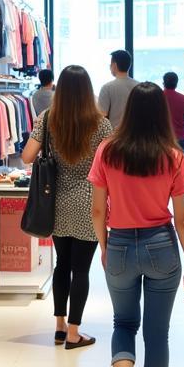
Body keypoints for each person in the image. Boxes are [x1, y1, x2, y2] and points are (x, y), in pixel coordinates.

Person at [89, 82, 184, 367]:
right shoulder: (173, 156)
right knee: (156, 332)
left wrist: (105, 247)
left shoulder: (107, 151)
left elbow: (96, 209)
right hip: (160, 247)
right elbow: (182, 218)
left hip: (119, 243)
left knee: (123, 323)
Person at [22, 65, 113, 349]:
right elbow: (110, 167)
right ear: (88, 91)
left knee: (61, 265)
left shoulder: (47, 119)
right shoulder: (102, 125)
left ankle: (60, 327)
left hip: (56, 202)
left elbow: (27, 156)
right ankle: (75, 331)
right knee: (81, 269)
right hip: (90, 203)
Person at [97, 49, 138, 128]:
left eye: (110, 64)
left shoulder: (107, 88)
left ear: (114, 65)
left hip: (114, 135)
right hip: (135, 134)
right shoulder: (139, 86)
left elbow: (102, 116)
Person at [162, 71, 184, 150]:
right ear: (176, 83)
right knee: (179, 161)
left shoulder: (157, 97)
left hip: (162, 137)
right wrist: (182, 121)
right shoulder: (183, 98)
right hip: (180, 136)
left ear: (163, 83)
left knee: (162, 162)